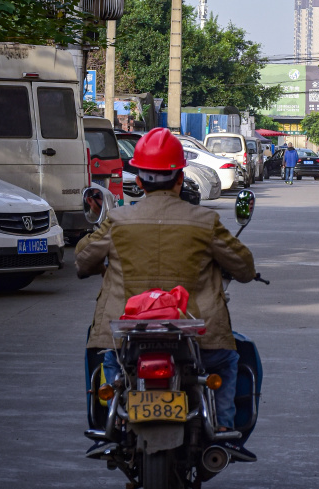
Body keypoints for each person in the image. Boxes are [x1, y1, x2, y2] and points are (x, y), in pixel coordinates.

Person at [75, 127, 255, 435]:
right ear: (181, 179)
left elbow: (83, 261)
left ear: (141, 181)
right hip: (196, 332)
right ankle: (222, 427)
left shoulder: (117, 220)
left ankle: (115, 418)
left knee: (111, 362)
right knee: (227, 361)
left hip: (127, 333)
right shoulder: (205, 221)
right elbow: (244, 268)